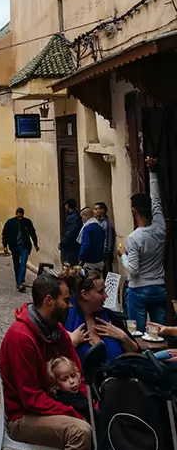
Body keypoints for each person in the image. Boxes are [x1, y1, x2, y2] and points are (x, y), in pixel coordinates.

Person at [0, 272, 92, 450]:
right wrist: (73, 411)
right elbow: (30, 398)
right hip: (23, 417)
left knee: (99, 415)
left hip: (50, 405)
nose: (70, 305)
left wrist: (86, 403)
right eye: (66, 300)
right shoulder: (21, 337)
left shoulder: (55, 330)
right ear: (48, 300)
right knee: (80, 431)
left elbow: (75, 370)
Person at [118, 156, 167, 332]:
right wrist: (152, 172)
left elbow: (134, 269)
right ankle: (160, 358)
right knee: (159, 332)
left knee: (137, 333)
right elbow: (156, 201)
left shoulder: (134, 238)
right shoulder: (160, 227)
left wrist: (123, 255)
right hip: (159, 287)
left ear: (134, 211)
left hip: (139, 289)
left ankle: (142, 359)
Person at [62, 267, 139, 368]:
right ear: (84, 295)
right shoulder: (64, 319)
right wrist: (70, 343)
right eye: (101, 291)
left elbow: (136, 351)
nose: (106, 296)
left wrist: (123, 337)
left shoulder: (111, 317)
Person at [2, 207, 39, 292]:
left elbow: (32, 233)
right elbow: (5, 234)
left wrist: (35, 244)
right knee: (16, 264)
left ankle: (20, 283)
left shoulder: (27, 222)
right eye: (18, 216)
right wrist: (5, 245)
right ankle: (18, 281)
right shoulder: (10, 222)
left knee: (23, 264)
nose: (20, 218)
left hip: (25, 246)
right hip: (14, 246)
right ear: (16, 214)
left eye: (21, 216)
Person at [47, 357, 91, 421]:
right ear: (56, 384)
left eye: (73, 376)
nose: (72, 381)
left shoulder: (76, 393)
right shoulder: (66, 400)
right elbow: (87, 409)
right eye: (65, 379)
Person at [77, 207, 105, 271]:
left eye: (82, 217)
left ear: (85, 216)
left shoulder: (87, 229)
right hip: (99, 260)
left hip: (89, 262)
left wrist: (81, 256)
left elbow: (85, 246)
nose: (82, 219)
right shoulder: (100, 227)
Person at [93, 202, 115, 275]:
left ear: (102, 211)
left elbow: (108, 239)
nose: (94, 211)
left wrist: (105, 253)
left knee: (106, 273)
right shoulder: (97, 222)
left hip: (104, 253)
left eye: (96, 209)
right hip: (98, 252)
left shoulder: (106, 224)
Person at [59, 198, 82, 266]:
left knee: (71, 265)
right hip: (71, 244)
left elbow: (70, 232)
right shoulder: (73, 215)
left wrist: (62, 243)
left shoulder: (73, 217)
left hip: (72, 245)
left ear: (68, 205)